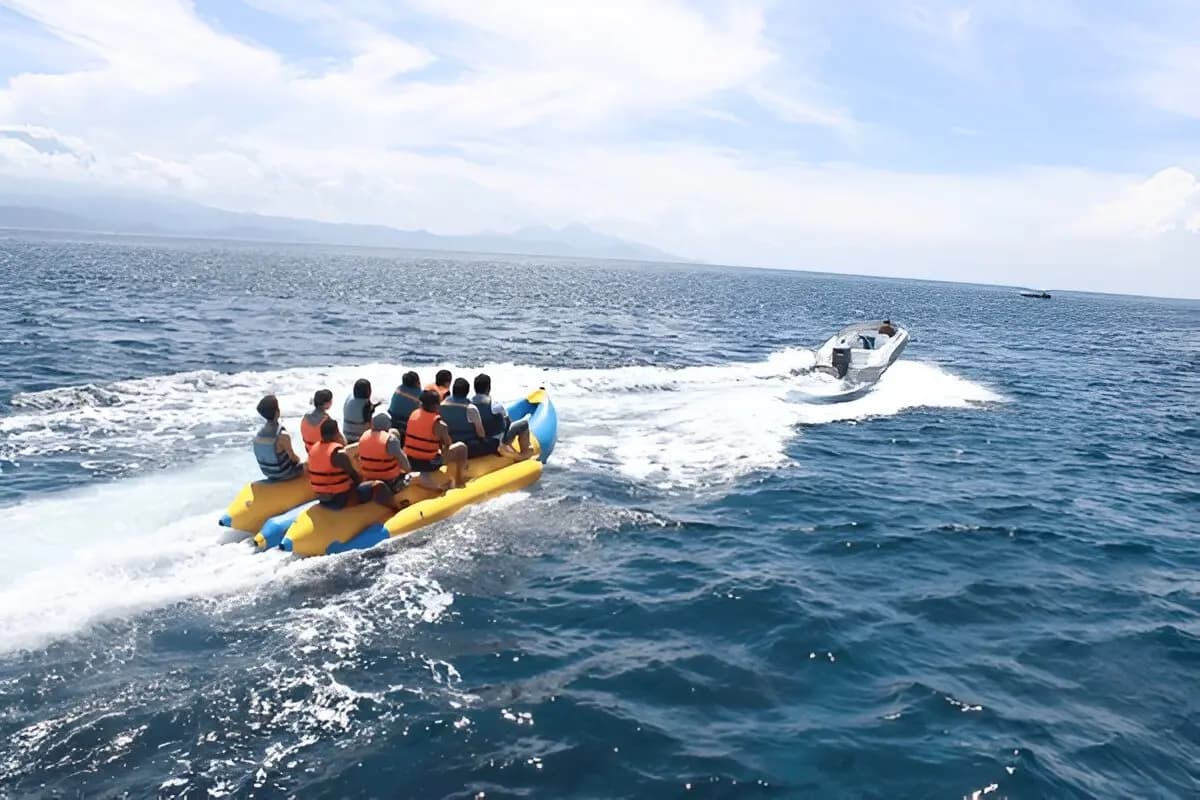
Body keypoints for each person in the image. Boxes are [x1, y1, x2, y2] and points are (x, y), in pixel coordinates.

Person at [307, 418, 399, 511]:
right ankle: (394, 509)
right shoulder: (338, 455)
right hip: (340, 500)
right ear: (337, 433)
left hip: (322, 499)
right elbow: (356, 479)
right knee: (379, 485)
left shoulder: (313, 450)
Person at [403, 389, 468, 489]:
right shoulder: (440, 425)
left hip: (410, 460)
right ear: (436, 405)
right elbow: (448, 445)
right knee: (461, 447)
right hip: (428, 464)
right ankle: (459, 480)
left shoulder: (413, 414)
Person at [472, 373, 533, 459]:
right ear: (488, 388)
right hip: (497, 441)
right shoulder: (495, 405)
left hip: (478, 441)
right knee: (523, 424)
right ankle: (525, 453)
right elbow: (507, 422)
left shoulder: (469, 405)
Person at [253, 394, 304, 481]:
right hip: (283, 474)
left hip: (267, 473)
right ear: (277, 412)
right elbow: (294, 458)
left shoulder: (258, 435)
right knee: (309, 464)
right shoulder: (282, 436)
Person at [358, 412, 411, 494]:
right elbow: (404, 463)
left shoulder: (363, 436)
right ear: (388, 424)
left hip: (368, 478)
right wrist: (408, 470)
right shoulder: (390, 440)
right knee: (412, 477)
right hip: (389, 481)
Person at [300, 389, 341, 454]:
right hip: (322, 452)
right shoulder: (327, 421)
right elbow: (340, 439)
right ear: (326, 403)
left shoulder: (305, 417)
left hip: (309, 450)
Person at [388, 371, 422, 439]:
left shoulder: (399, 388)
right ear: (416, 382)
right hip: (406, 422)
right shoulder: (419, 393)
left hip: (392, 419)